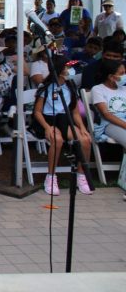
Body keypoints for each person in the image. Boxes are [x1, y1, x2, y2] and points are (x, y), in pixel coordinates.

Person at [32, 55, 93, 196]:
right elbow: (37, 112)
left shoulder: (70, 86)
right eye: (68, 67)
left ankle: (81, 176)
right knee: (57, 140)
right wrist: (47, 128)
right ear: (59, 70)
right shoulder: (46, 87)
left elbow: (75, 113)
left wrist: (83, 129)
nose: (71, 70)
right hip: (47, 120)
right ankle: (51, 177)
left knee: (85, 140)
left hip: (65, 120)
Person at [91, 59, 126, 150]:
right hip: (110, 124)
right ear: (111, 77)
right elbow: (106, 114)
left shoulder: (124, 89)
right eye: (121, 74)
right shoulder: (98, 89)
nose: (124, 76)